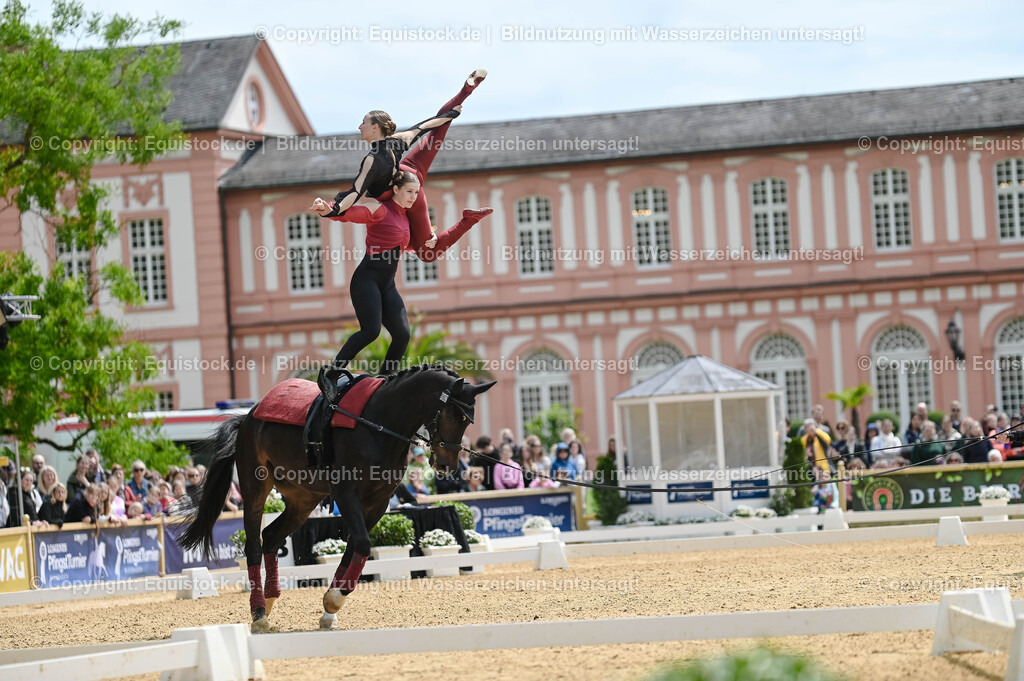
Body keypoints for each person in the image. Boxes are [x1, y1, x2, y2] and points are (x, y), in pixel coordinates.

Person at [314, 173, 492, 376]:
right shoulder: (380, 209)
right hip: (366, 280)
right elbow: (350, 214)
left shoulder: (405, 218)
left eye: (416, 193)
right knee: (371, 331)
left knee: (403, 335)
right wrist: (328, 209)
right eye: (409, 191)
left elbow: (402, 244)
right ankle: (332, 373)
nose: (413, 197)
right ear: (396, 189)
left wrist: (428, 238)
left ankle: (383, 380)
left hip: (387, 285)